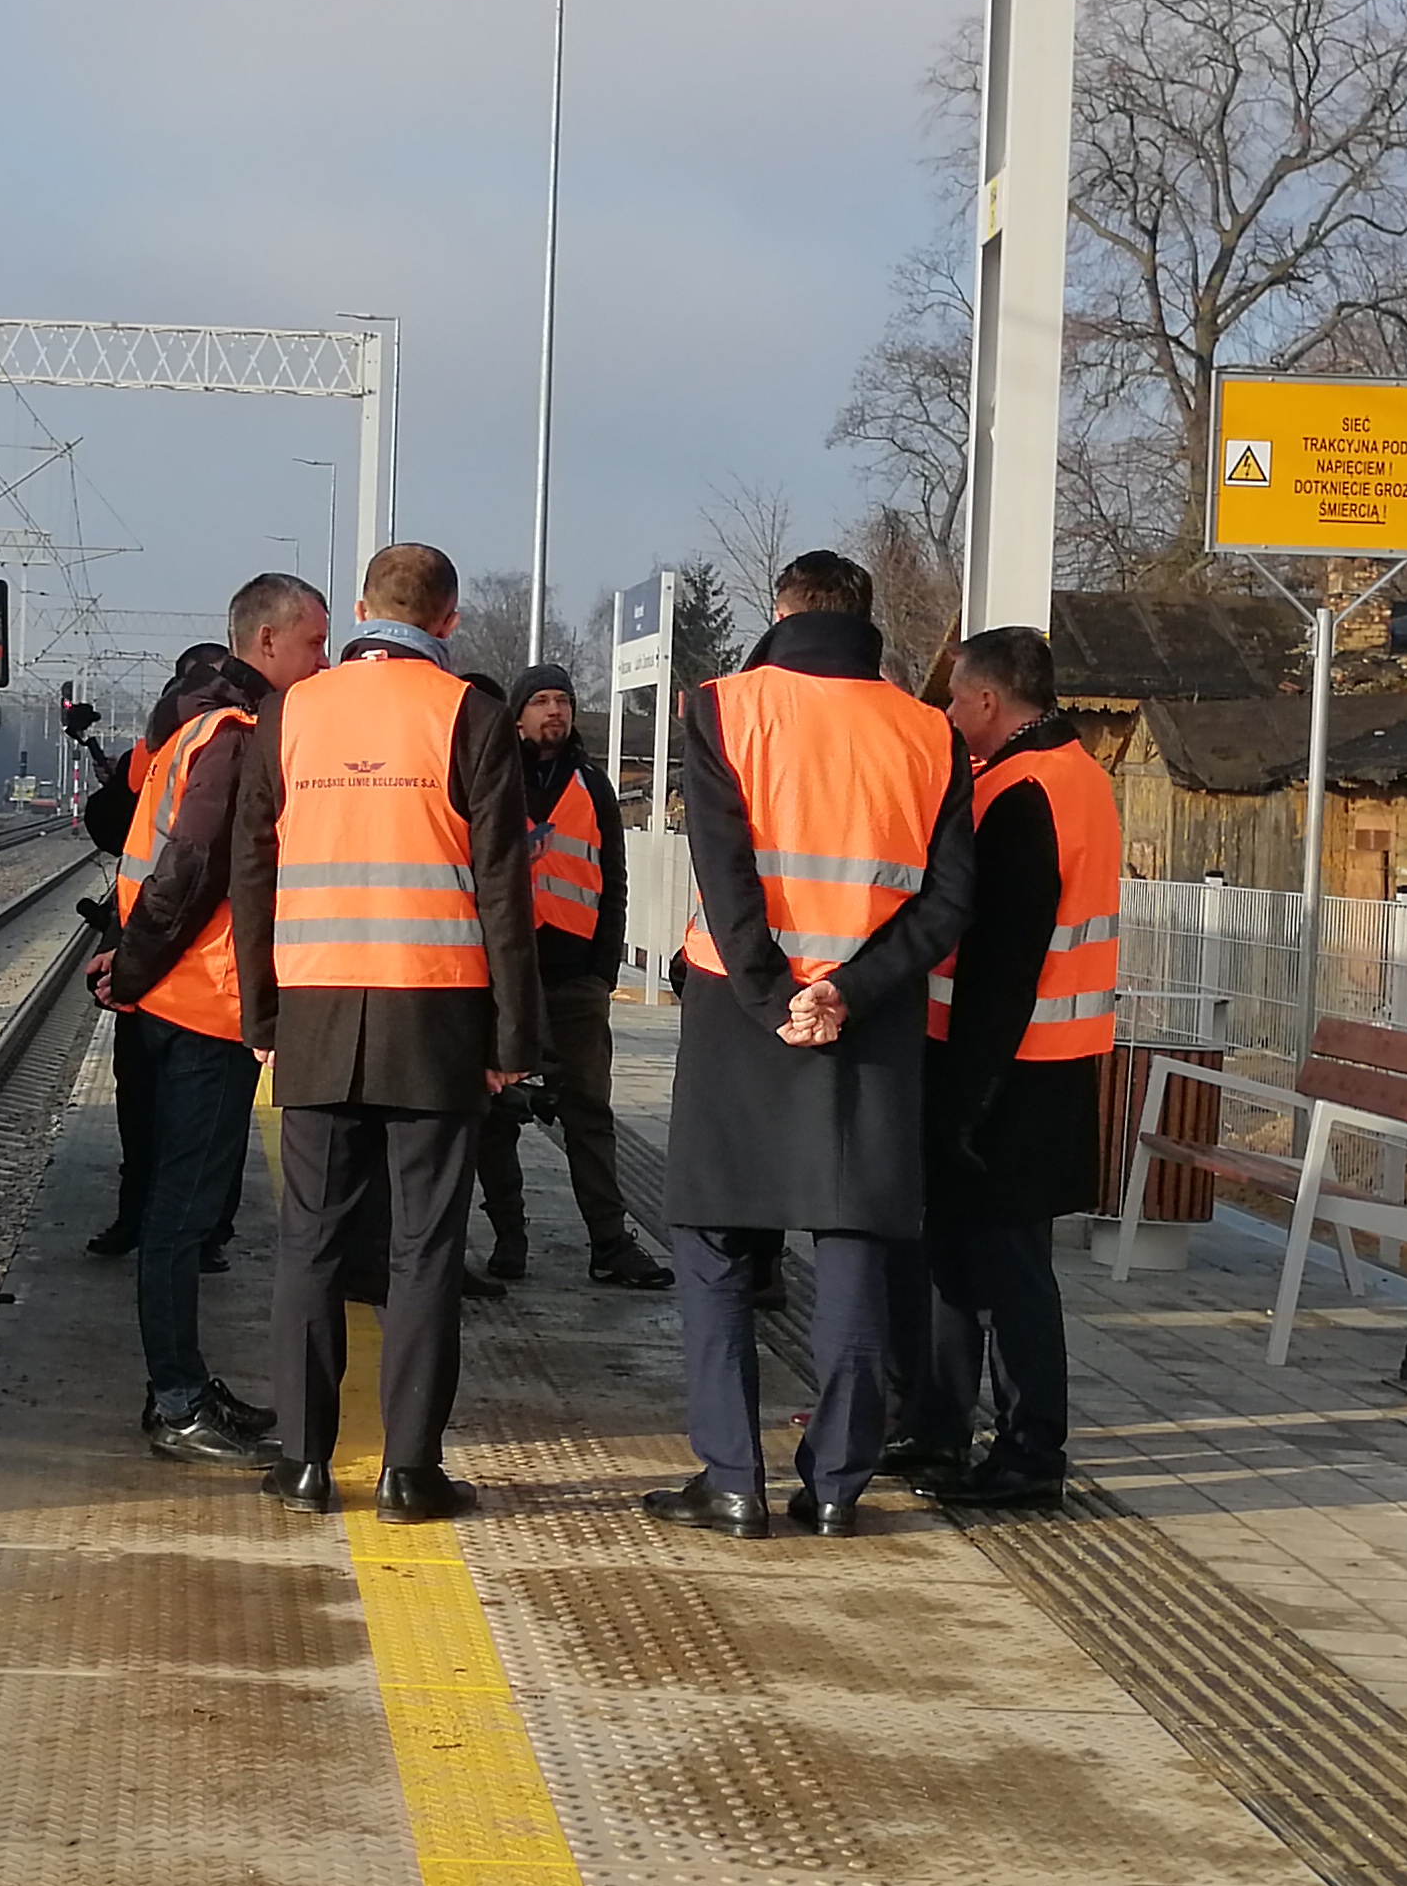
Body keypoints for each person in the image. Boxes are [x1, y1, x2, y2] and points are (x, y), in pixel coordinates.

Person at [652, 547, 971, 1540]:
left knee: (712, 1240)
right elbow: (947, 901)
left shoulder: (723, 707)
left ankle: (730, 1479)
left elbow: (722, 872)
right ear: (865, 618)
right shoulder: (931, 732)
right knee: (856, 1244)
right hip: (870, 1021)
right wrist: (847, 990)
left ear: (783, 611)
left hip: (738, 1008)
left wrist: (772, 995)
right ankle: (836, 1485)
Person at [231, 541, 540, 1519]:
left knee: (310, 1244)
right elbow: (504, 888)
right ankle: (409, 1471)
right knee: (425, 1250)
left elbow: (252, 873)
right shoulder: (471, 717)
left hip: (316, 1009)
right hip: (436, 1014)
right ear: (448, 621)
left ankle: (303, 1461)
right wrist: (511, 1040)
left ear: (362, 611)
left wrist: (261, 1015)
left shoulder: (288, 713)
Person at [892, 624, 1122, 1511]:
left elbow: (1002, 966)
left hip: (1010, 1074)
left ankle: (1030, 1450)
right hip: (1038, 1063)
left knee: (1010, 1270)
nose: (949, 714)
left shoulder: (1024, 794)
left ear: (988, 700)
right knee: (957, 1253)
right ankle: (939, 1425)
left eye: (955, 699)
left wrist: (964, 1096)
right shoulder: (1072, 775)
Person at [99, 585, 324, 1458]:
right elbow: (191, 871)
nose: (321, 661)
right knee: (182, 1214)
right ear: (266, 640)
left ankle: (183, 1382)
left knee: (178, 1211)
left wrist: (131, 965)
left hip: (174, 1000)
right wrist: (133, 966)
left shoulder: (193, 727)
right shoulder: (231, 739)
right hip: (202, 1007)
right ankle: (178, 1402)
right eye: (312, 643)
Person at [477, 661, 667, 1291]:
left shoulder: (593, 785)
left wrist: (601, 972)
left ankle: (609, 1243)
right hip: (505, 980)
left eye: (562, 700)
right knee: (495, 1115)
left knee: (589, 1114)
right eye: (541, 701)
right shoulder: (492, 777)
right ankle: (509, 1238)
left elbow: (613, 882)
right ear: (517, 716)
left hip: (573, 981)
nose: (554, 711)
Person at [82, 642, 231, 1263]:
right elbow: (119, 831)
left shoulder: (210, 743)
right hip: (159, 956)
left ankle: (177, 1227)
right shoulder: (164, 750)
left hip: (174, 959)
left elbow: (115, 832)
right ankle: (181, 1227)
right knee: (165, 1108)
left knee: (171, 1107)